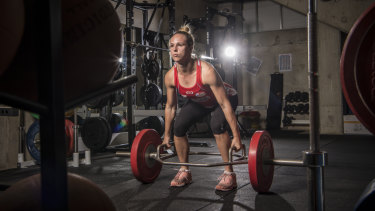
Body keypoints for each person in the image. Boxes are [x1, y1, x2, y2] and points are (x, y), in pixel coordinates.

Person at [162, 25, 243, 192]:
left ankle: (229, 174)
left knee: (216, 125)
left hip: (226, 98)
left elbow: (224, 104)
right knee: (179, 127)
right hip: (200, 102)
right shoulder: (170, 76)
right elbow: (170, 107)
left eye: (180, 45)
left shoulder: (206, 71)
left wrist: (237, 136)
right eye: (171, 46)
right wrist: (166, 136)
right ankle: (184, 171)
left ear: (190, 47)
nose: (175, 49)